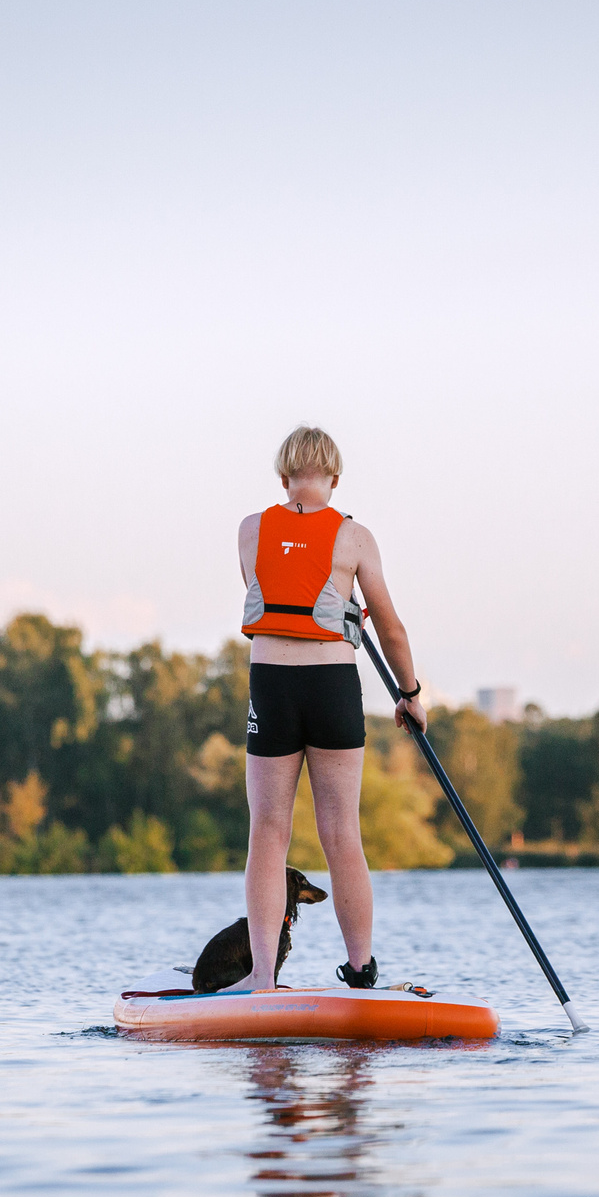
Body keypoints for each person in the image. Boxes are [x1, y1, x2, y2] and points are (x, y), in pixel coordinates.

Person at [233, 425, 423, 993]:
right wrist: (409, 695)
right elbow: (387, 624)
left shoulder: (250, 530)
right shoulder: (356, 538)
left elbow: (266, 584)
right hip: (334, 686)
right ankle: (361, 969)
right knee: (342, 832)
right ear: (335, 479)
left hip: (271, 688)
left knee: (268, 831)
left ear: (283, 474)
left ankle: (262, 979)